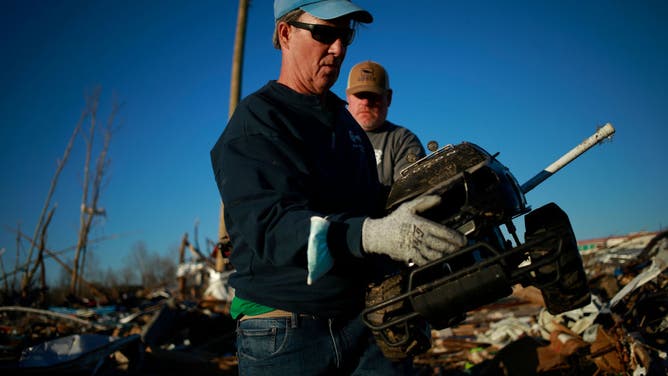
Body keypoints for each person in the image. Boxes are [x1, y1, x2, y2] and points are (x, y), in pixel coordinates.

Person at [210, 1, 467, 374]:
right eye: (324, 33)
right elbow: (272, 227)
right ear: (285, 34)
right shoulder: (258, 123)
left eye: (345, 35)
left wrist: (421, 218)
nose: (339, 48)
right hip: (287, 333)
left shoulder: (346, 126)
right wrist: (372, 234)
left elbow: (366, 206)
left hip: (365, 322)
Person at [346, 60, 426, 188]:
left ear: (388, 98)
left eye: (373, 95)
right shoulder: (329, 135)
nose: (366, 102)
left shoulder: (403, 141)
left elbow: (408, 194)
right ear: (348, 97)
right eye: (360, 95)